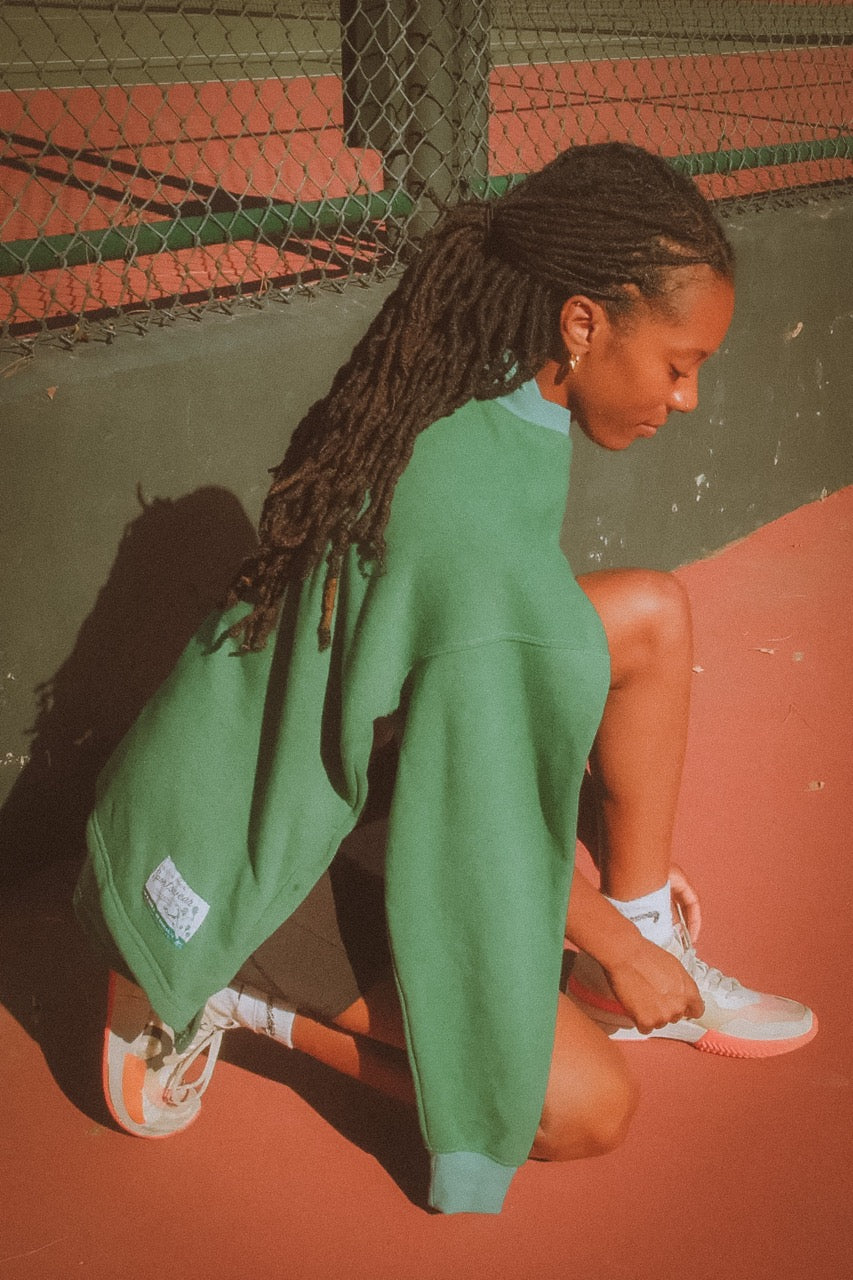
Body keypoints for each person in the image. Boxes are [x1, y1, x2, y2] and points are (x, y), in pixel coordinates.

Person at [74, 142, 816, 1216]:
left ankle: (653, 923)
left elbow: (463, 672)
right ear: (582, 321)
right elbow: (473, 828)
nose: (688, 396)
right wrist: (602, 941)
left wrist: (611, 903)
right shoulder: (474, 540)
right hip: (241, 849)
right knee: (582, 1105)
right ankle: (231, 981)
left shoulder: (493, 379)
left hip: (291, 752)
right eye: (678, 362)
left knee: (649, 617)